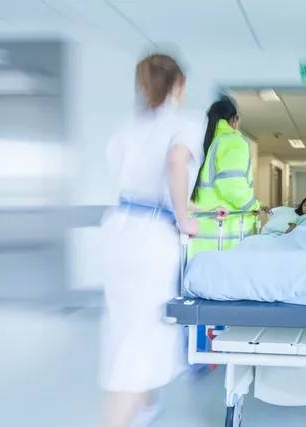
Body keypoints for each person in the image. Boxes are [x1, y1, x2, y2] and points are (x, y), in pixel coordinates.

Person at [100, 54, 221, 427]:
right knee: (139, 345)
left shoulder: (127, 126)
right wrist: (185, 218)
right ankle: (122, 417)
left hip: (119, 229)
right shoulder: (183, 121)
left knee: (128, 329)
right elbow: (174, 162)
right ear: (179, 85)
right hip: (150, 239)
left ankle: (147, 409)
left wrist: (186, 213)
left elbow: (139, 187)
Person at [189, 95, 260, 254]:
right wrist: (253, 206)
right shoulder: (232, 140)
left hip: (200, 234)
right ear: (235, 120)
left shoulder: (204, 141)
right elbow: (232, 185)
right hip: (224, 234)